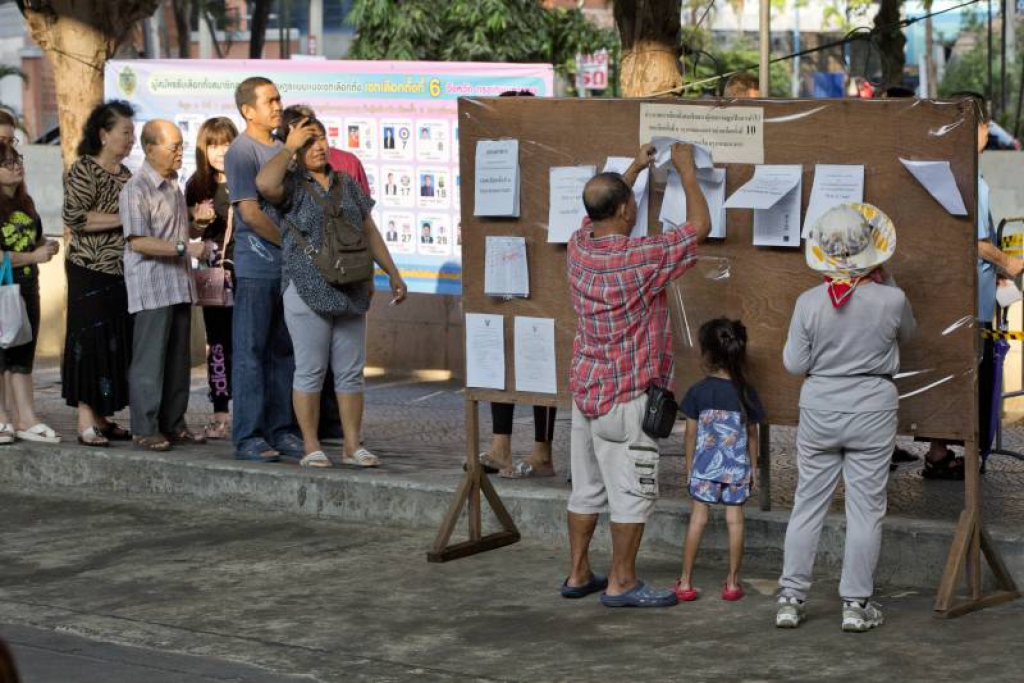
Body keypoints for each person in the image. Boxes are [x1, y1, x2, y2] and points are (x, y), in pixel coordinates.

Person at [563, 142, 710, 608]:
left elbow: (597, 215)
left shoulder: (578, 247)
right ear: (627, 209)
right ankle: (622, 581)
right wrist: (687, 172)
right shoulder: (641, 258)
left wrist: (634, 169)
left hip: (586, 390)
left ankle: (578, 572)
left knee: (586, 489)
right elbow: (699, 229)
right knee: (631, 493)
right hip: (627, 397)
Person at [776, 203, 916, 632]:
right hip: (873, 406)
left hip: (820, 405)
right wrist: (884, 275)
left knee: (807, 503)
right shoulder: (892, 298)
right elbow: (909, 335)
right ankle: (855, 604)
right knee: (866, 509)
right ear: (871, 249)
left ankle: (790, 598)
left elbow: (794, 364)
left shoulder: (808, 301)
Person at [256, 111, 408, 468]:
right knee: (310, 369)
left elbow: (368, 230)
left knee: (351, 370)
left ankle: (352, 445)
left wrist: (392, 272)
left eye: (321, 138)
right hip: (307, 287)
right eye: (308, 141)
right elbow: (264, 185)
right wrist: (288, 148)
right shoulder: (290, 184)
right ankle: (311, 446)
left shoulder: (347, 183)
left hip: (351, 287)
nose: (319, 146)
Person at [921, 92, 1024, 479]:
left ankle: (938, 452)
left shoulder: (942, 169)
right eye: (985, 126)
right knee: (965, 377)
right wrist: (1009, 262)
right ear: (977, 127)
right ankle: (957, 452)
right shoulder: (970, 176)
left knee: (947, 373)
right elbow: (976, 242)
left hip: (949, 295)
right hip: (968, 300)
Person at [224, 76, 302, 462]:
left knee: (283, 352)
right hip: (256, 269)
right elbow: (251, 214)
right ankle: (249, 435)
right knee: (250, 353)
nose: (277, 106)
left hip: (287, 272)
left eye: (279, 98)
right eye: (269, 100)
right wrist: (291, 243)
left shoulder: (281, 148)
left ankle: (281, 429)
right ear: (247, 110)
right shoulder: (241, 152)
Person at [120, 120, 208, 451]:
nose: (179, 153)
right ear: (150, 148)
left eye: (181, 146)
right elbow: (139, 242)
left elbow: (178, 234)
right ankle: (144, 428)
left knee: (177, 362)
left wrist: (196, 224)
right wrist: (186, 248)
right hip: (152, 286)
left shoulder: (173, 185)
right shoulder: (136, 188)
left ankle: (174, 424)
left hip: (179, 284)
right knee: (150, 362)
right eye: (173, 147)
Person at [61, 100, 136, 447]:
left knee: (114, 344)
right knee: (88, 345)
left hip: (120, 273)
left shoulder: (127, 176)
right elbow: (76, 218)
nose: (131, 139)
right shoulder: (84, 169)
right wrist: (125, 219)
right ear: (104, 135)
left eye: (133, 133)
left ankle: (104, 418)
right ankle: (84, 420)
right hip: (88, 270)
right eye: (125, 132)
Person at [675, 318, 764, 603]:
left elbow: (690, 435)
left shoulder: (698, 391)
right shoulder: (746, 392)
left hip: (704, 467)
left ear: (708, 353)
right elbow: (752, 435)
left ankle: (686, 582)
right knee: (735, 521)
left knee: (697, 519)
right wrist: (752, 468)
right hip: (737, 468)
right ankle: (733, 584)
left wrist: (690, 468)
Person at [0, 141, 61, 444]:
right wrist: (32, 257)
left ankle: (26, 418)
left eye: (17, 160)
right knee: (1, 354)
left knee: (23, 356)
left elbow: (33, 240)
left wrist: (46, 247)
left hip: (28, 286)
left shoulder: (26, 203)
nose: (16, 166)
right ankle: (2, 420)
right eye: (7, 163)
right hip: (3, 288)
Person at [186, 116, 238, 440]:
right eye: (212, 144)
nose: (219, 151)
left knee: (246, 345)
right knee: (217, 345)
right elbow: (189, 235)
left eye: (225, 143)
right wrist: (200, 224)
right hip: (211, 274)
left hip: (246, 272)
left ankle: (247, 413)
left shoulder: (247, 177)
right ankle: (220, 414)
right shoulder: (196, 185)